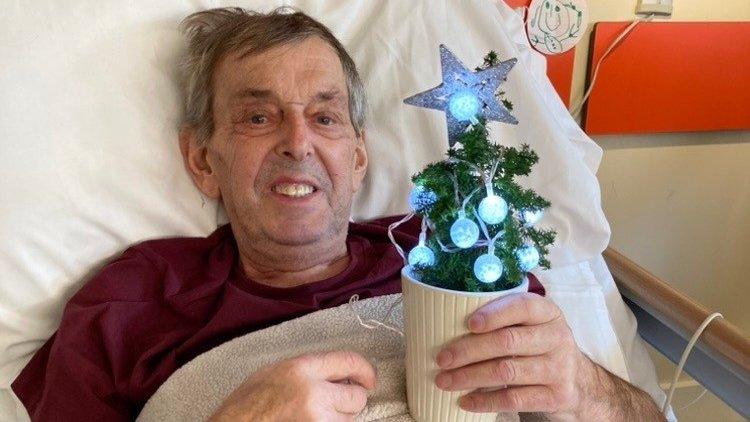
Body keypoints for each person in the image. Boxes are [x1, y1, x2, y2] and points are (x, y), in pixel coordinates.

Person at [11, 7, 665, 421]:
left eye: (324, 116)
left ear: (357, 156)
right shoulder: (126, 303)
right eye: (258, 116)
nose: (298, 142)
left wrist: (585, 387)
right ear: (202, 160)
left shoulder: (460, 260)